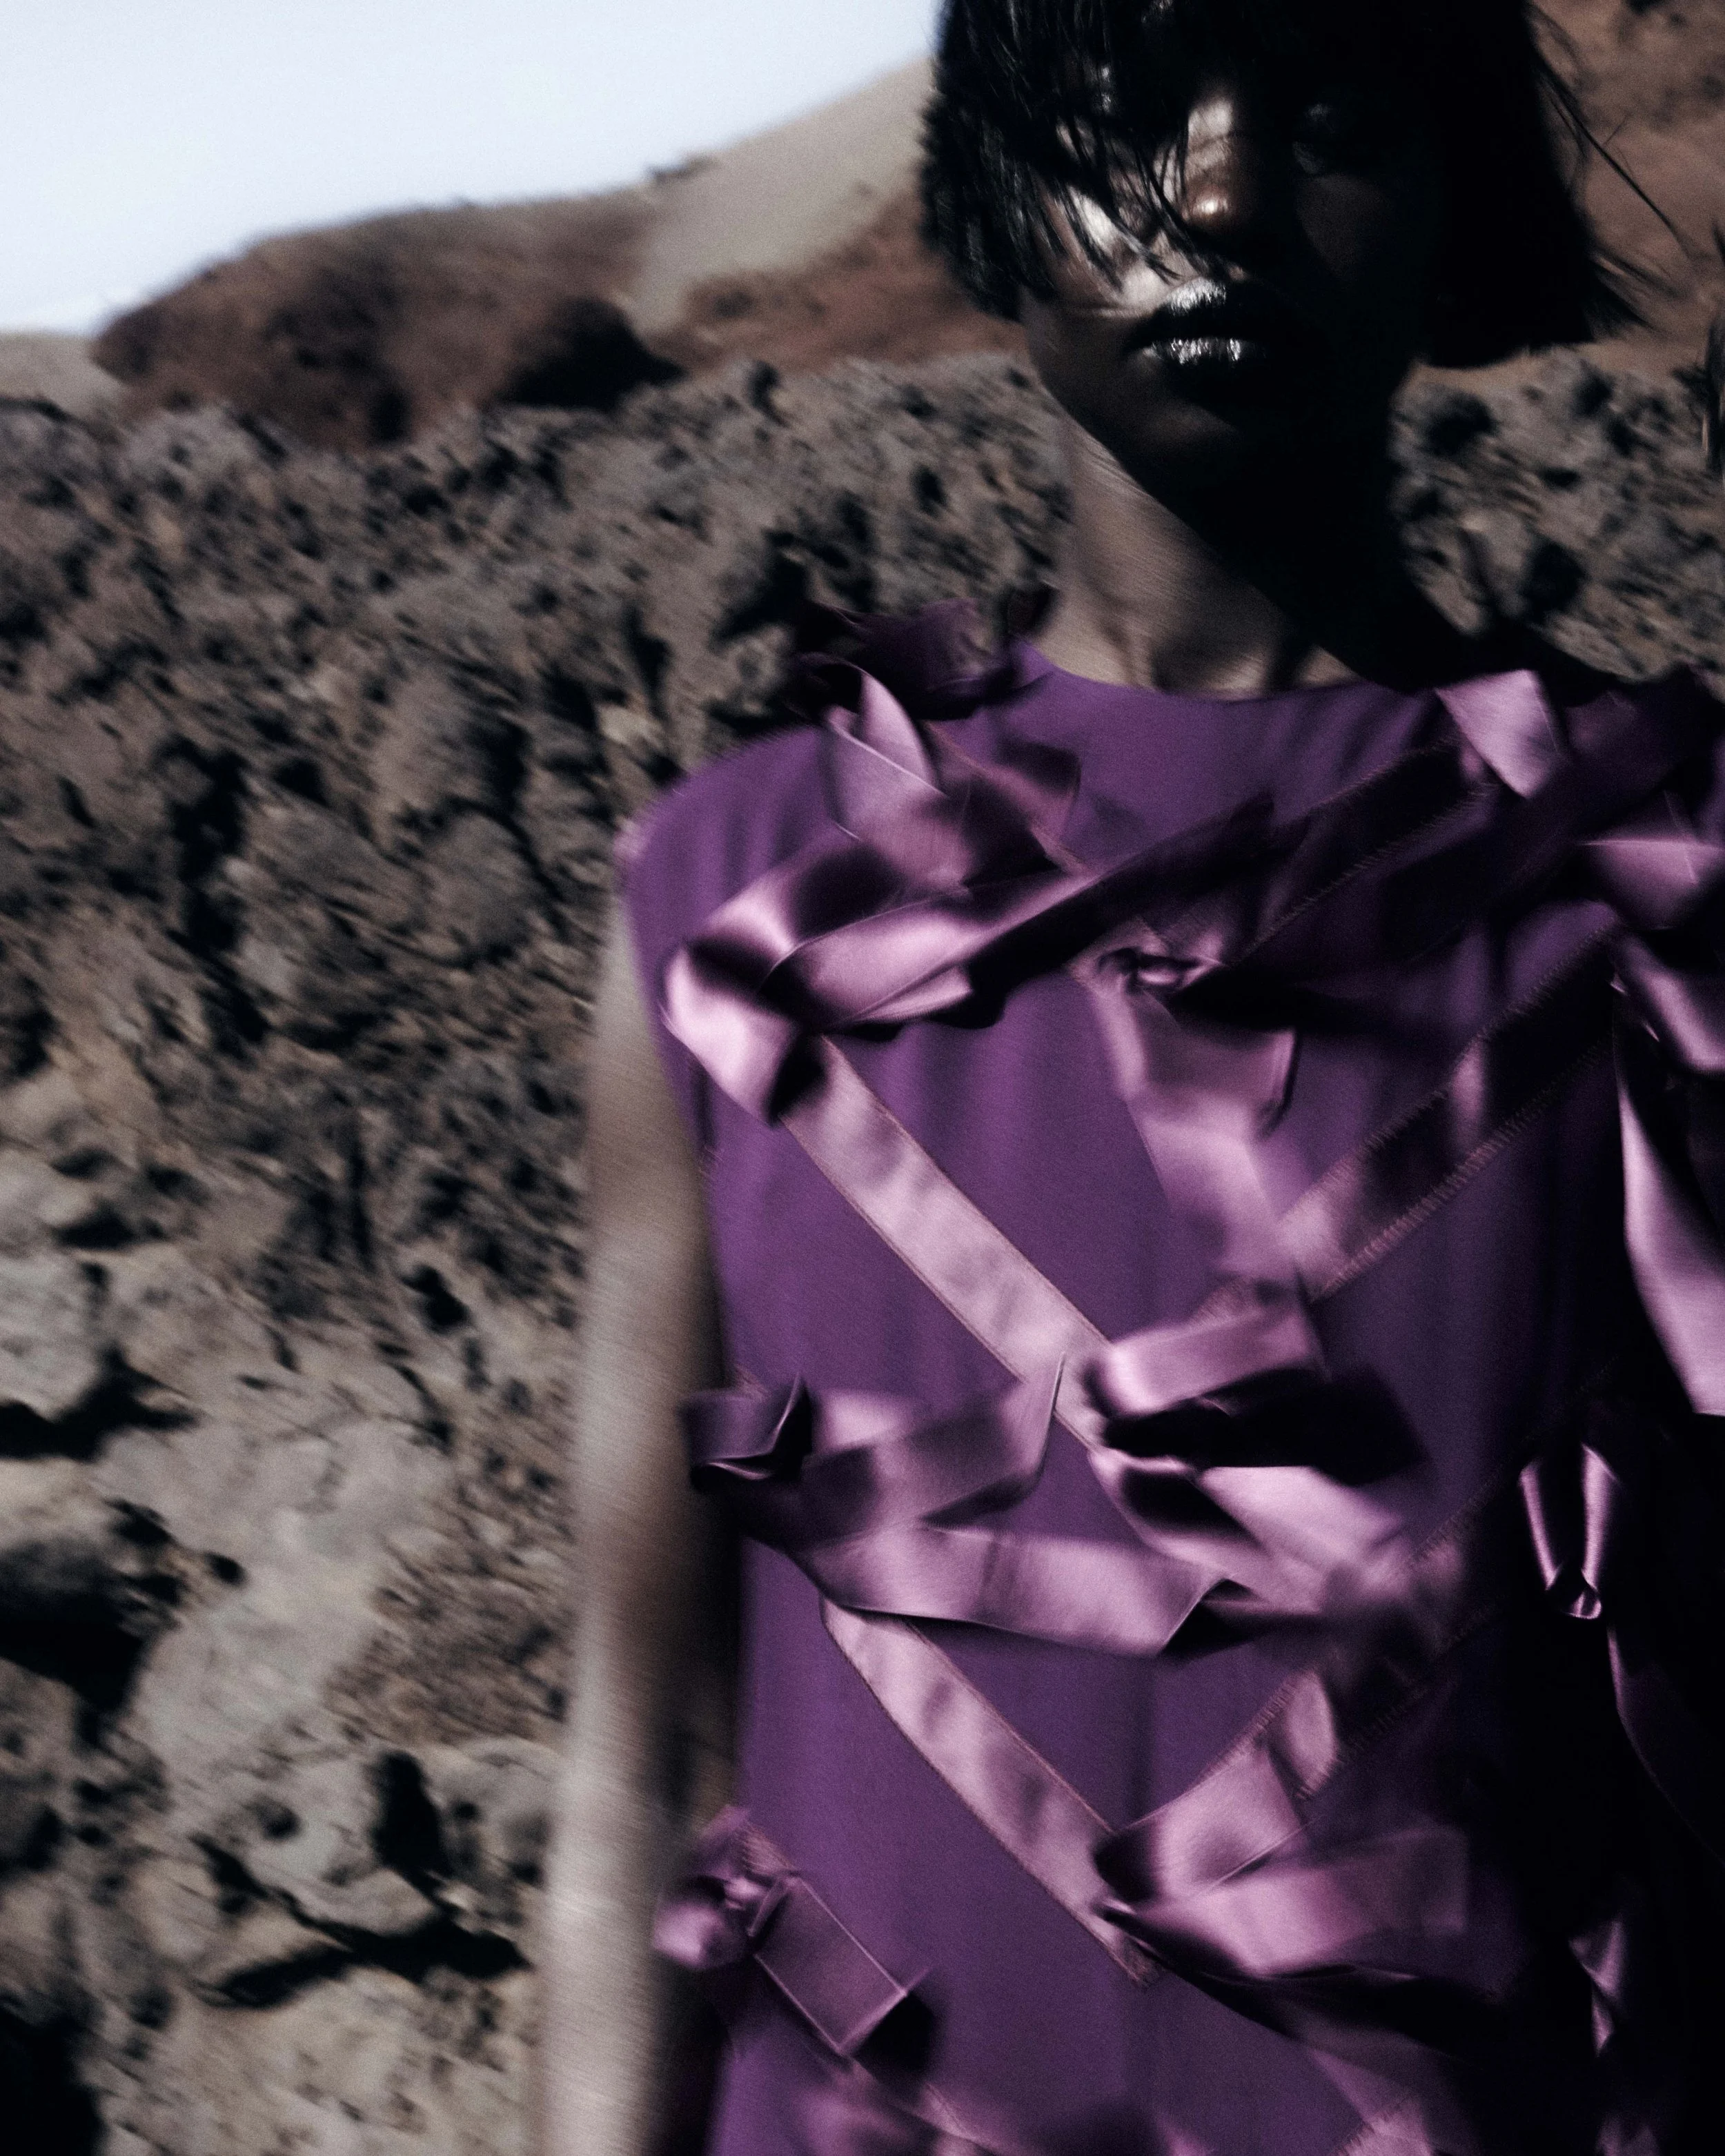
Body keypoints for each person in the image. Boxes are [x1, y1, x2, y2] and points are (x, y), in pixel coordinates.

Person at [546, 3, 1725, 2150]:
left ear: (1449, 200)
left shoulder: (1661, 873)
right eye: (1123, 119)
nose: (1220, 198)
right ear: (994, 200)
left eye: (1331, 117)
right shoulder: (730, 902)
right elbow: (631, 1768)